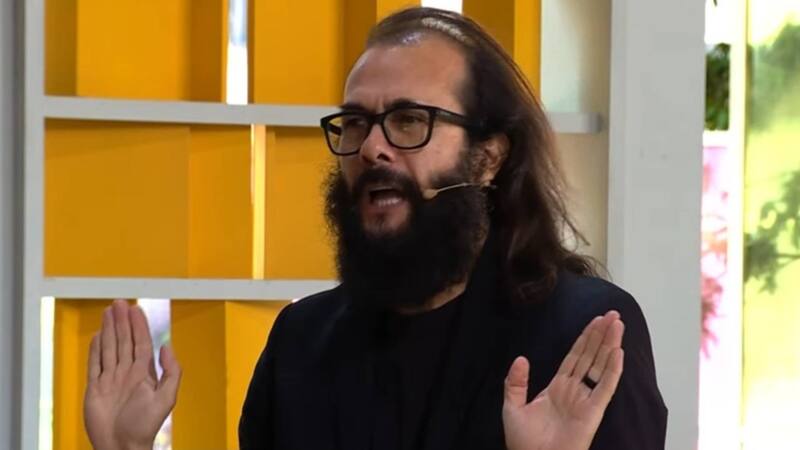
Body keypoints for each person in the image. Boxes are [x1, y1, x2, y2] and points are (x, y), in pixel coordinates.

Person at [83, 7, 667, 450]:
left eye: (409, 120)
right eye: (357, 123)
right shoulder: (301, 343)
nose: (372, 148)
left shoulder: (581, 333)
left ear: (488, 157)